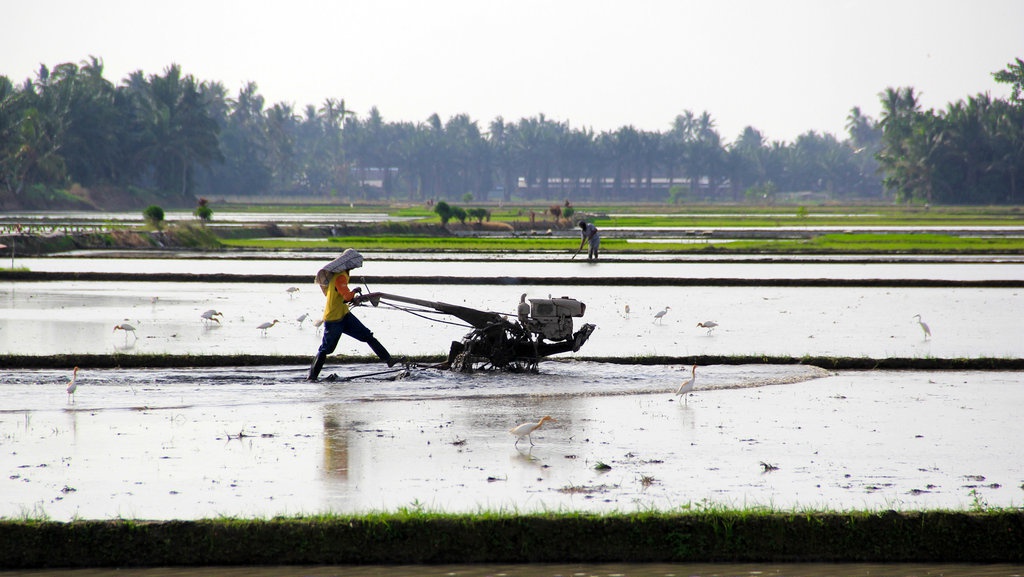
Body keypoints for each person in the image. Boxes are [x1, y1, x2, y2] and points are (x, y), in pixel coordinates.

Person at [307, 249, 396, 381]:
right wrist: (354, 291)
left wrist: (353, 296)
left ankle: (388, 360)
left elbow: (343, 296)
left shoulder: (340, 275)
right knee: (326, 349)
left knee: (367, 335)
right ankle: (312, 376)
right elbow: (347, 296)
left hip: (344, 314)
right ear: (349, 263)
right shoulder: (340, 276)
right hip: (334, 318)